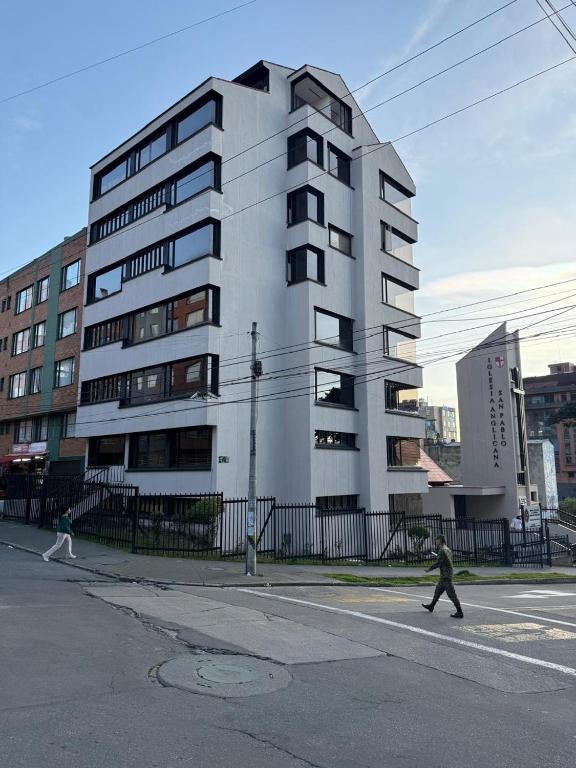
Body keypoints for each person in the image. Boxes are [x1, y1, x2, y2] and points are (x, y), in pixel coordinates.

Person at [422, 535, 463, 619]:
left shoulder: (442, 550)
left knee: (451, 594)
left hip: (446, 576)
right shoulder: (447, 549)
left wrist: (429, 569)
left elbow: (438, 563)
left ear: (440, 540)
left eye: (436, 540)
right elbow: (446, 561)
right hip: (445, 575)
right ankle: (431, 606)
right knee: (437, 591)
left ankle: (459, 612)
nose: (435, 541)